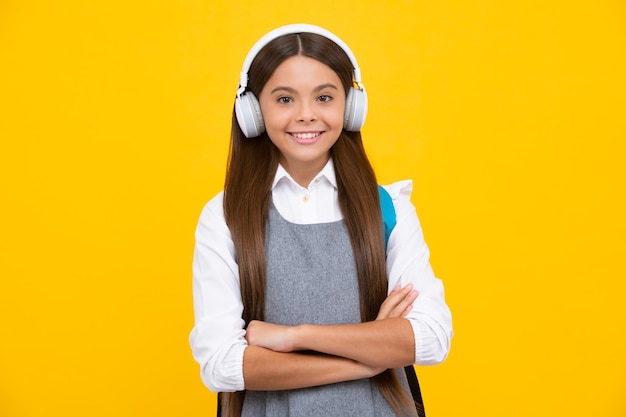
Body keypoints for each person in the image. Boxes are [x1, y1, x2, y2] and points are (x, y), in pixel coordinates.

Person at [189, 23, 453, 417]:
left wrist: (295, 337)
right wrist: (370, 356)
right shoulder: (225, 216)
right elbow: (224, 365)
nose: (306, 115)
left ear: (349, 106)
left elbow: (429, 339)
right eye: (284, 99)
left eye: (324, 97)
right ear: (253, 111)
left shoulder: (388, 207)